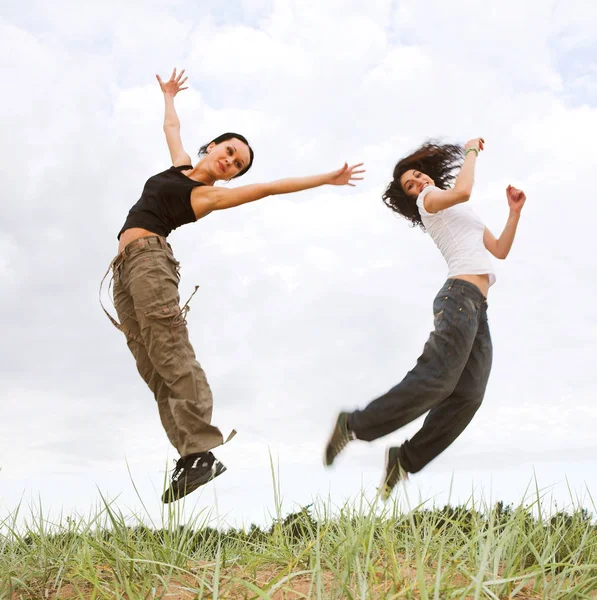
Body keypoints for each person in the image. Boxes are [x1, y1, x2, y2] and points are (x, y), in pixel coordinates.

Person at [101, 68, 365, 503]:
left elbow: (270, 189)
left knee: (170, 348)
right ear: (211, 147)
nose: (231, 161)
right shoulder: (181, 167)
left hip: (150, 261)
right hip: (123, 269)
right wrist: (169, 95)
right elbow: (171, 128)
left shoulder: (208, 194)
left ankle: (203, 450)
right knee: (152, 366)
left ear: (231, 177)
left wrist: (326, 178)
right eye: (229, 151)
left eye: (237, 164)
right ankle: (190, 456)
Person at [324, 138, 526, 500]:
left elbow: (499, 250)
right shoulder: (429, 202)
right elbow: (463, 190)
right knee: (438, 379)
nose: (418, 183)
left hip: (477, 308)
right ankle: (353, 425)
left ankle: (404, 460)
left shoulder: (460, 213)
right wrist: (471, 152)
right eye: (410, 185)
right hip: (458, 299)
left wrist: (514, 213)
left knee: (469, 394)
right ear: (412, 197)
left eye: (418, 176)